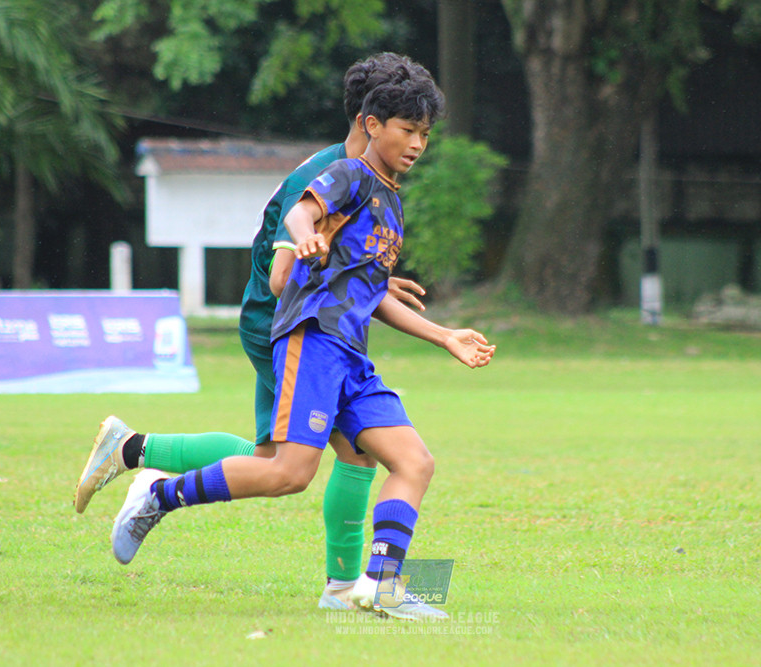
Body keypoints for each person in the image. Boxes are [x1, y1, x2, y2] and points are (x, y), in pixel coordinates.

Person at [107, 75, 495, 620]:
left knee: (414, 463)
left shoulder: (390, 200)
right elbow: (302, 212)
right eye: (408, 130)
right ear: (372, 124)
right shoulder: (348, 175)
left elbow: (370, 295)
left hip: (352, 354)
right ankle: (158, 497)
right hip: (312, 341)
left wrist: (444, 335)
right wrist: (305, 232)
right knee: (287, 473)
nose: (416, 144)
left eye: (425, 135)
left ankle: (379, 588)